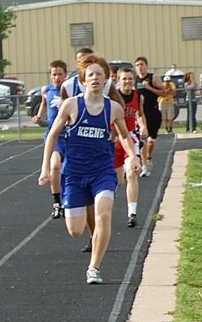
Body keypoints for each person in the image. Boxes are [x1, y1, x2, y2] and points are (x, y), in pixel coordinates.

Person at [39, 53, 140, 285]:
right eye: (90, 74)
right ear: (83, 79)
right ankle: (88, 227)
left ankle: (93, 268)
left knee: (104, 213)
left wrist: (133, 156)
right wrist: (46, 168)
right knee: (75, 230)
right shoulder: (71, 104)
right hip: (74, 173)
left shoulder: (113, 108)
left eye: (100, 75)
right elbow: (52, 135)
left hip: (101, 171)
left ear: (106, 80)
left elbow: (124, 136)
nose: (95, 78)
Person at [33, 60, 68, 219]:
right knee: (54, 165)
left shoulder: (70, 90)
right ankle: (56, 203)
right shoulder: (46, 90)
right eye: (54, 74)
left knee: (69, 170)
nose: (57, 77)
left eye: (60, 74)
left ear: (65, 75)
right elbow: (44, 104)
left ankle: (69, 199)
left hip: (70, 135)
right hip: (54, 135)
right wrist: (39, 116)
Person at [113, 66, 146, 228]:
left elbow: (139, 113)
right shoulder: (113, 97)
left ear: (134, 80)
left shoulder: (138, 96)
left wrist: (143, 126)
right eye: (124, 79)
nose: (127, 82)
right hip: (114, 140)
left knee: (131, 173)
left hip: (131, 138)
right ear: (118, 80)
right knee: (117, 181)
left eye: (130, 79)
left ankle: (132, 213)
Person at [133, 57, 163, 175]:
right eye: (137, 65)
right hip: (139, 113)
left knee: (151, 139)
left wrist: (149, 88)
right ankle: (144, 163)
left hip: (153, 111)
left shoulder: (153, 77)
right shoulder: (133, 80)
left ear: (146, 65)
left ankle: (148, 157)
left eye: (142, 64)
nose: (140, 67)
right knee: (142, 138)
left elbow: (163, 92)